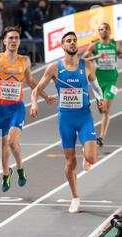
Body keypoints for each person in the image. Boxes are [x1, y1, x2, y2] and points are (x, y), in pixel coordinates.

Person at [0, 26, 55, 193]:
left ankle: (20, 168)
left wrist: (45, 96)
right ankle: (6, 173)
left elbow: (31, 83)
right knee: (3, 147)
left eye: (16, 38)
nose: (13, 41)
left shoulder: (25, 61)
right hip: (1, 110)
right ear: (4, 41)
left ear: (19, 41)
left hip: (17, 109)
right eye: (10, 38)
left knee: (12, 142)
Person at [30, 31, 106, 213]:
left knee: (91, 158)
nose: (72, 43)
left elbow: (96, 87)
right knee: (70, 161)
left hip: (84, 116)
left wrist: (99, 99)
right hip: (66, 119)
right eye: (68, 41)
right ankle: (75, 197)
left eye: (74, 40)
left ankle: (86, 149)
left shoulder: (87, 65)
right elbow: (36, 89)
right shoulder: (54, 68)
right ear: (62, 46)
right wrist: (34, 104)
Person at [83, 23, 122, 147]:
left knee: (105, 109)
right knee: (101, 109)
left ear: (109, 31)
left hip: (112, 81)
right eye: (101, 29)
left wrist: (119, 54)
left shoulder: (115, 44)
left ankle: (101, 137)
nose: (104, 30)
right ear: (99, 32)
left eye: (106, 29)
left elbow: (121, 54)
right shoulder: (95, 46)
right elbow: (83, 59)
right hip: (98, 82)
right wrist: (97, 56)